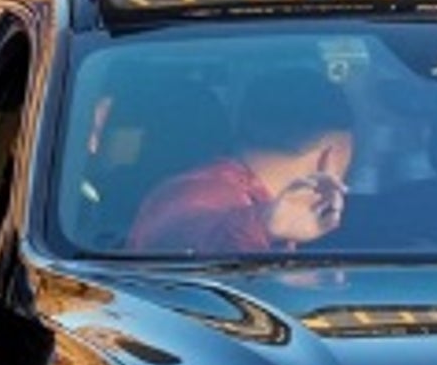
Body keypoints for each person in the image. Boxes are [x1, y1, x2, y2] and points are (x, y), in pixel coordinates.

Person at [128, 68, 357, 256]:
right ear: (331, 157)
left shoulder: (210, 189)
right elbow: (190, 235)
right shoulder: (201, 194)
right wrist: (263, 225)